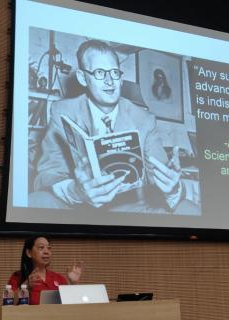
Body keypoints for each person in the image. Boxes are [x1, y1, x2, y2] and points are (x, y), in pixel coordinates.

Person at [29, 39, 198, 214]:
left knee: (188, 209)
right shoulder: (63, 111)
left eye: (114, 73)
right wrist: (76, 191)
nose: (110, 81)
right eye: (100, 72)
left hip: (131, 209)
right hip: (79, 206)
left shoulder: (144, 119)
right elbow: (45, 176)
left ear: (121, 78)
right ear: (82, 77)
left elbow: (161, 175)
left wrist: (172, 187)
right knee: (35, 201)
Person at [7, 236, 83, 305]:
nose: (46, 252)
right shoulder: (17, 277)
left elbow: (72, 307)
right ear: (29, 253)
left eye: (49, 248)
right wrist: (26, 285)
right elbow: (8, 304)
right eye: (41, 247)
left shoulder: (59, 278)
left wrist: (74, 284)